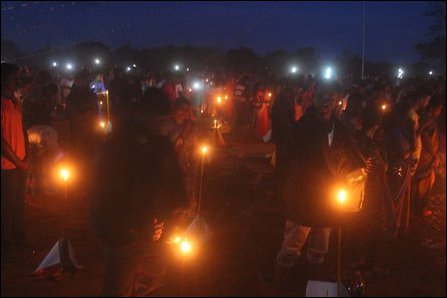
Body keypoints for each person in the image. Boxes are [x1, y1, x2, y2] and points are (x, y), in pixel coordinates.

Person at [91, 89, 188, 297]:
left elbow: (174, 180)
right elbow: (108, 194)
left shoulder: (161, 143)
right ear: (143, 115)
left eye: (165, 120)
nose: (163, 125)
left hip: (156, 233)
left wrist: (179, 209)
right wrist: (135, 223)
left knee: (150, 285)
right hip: (124, 235)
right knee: (119, 287)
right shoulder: (119, 145)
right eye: (159, 119)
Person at [274, 80, 366, 291]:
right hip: (304, 198)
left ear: (336, 101)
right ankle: (278, 289)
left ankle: (313, 289)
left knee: (319, 251)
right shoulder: (300, 129)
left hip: (327, 199)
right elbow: (286, 162)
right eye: (322, 96)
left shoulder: (340, 130)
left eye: (330, 97)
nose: (326, 101)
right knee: (290, 249)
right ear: (313, 98)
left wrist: (352, 172)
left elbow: (344, 160)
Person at [1, 63, 29, 252]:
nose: (17, 80)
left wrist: (27, 156)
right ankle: (6, 244)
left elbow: (22, 129)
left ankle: (19, 238)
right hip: (6, 165)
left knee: (19, 205)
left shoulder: (16, 103)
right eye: (13, 76)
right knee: (6, 207)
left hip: (20, 163)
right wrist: (17, 161)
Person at [411, 97, 443, 217]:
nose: (439, 112)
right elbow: (425, 136)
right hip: (426, 156)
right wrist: (434, 154)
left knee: (426, 180)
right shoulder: (428, 120)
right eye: (439, 109)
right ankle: (419, 208)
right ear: (433, 108)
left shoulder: (427, 118)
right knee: (423, 181)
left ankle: (417, 207)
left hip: (426, 155)